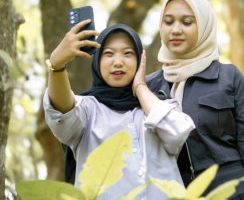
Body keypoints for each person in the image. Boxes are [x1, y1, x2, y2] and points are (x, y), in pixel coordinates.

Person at [146, 0, 244, 199]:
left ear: (204, 26)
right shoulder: (148, 87)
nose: (176, 30)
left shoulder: (227, 77)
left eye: (187, 22)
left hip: (235, 194)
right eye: (168, 22)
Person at [43, 21, 195, 200]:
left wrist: (140, 86)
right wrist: (57, 66)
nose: (118, 62)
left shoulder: (160, 105)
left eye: (128, 54)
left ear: (140, 60)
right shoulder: (88, 109)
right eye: (108, 54)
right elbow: (62, 113)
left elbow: (177, 132)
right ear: (97, 60)